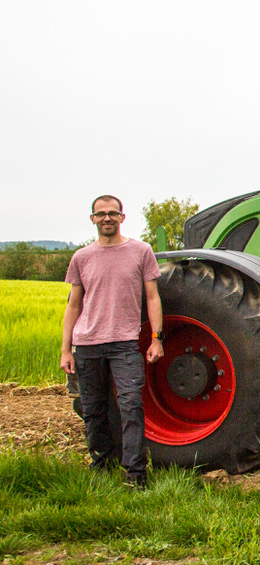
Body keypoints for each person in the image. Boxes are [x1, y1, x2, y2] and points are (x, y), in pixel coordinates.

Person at [61, 195, 164, 489]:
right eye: (101, 214)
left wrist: (157, 339)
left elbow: (153, 297)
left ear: (122, 217)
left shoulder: (141, 251)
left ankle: (134, 473)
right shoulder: (81, 257)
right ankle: (101, 465)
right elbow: (73, 305)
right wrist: (66, 349)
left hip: (125, 344)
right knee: (93, 409)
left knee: (131, 406)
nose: (107, 218)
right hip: (87, 344)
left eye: (113, 213)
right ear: (92, 219)